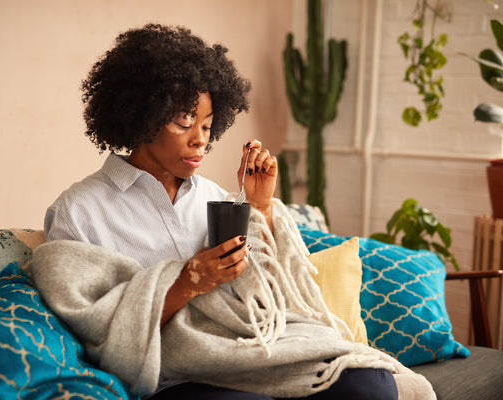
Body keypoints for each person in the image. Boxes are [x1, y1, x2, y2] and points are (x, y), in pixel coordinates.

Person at [35, 24, 427, 400]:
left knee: (370, 387)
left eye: (207, 125)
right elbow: (96, 333)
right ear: (141, 116)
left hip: (249, 354)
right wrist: (187, 283)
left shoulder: (216, 197)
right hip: (175, 377)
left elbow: (266, 298)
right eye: (183, 121)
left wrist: (258, 207)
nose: (200, 140)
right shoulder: (80, 211)